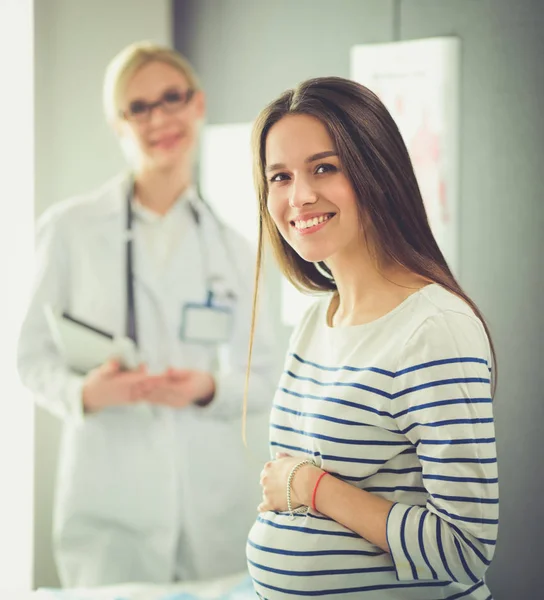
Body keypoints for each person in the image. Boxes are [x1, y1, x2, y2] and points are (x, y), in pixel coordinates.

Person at [17, 41, 279, 588]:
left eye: (171, 99)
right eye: (139, 107)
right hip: (111, 500)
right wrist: (86, 393)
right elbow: (31, 358)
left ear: (198, 104)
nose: (159, 118)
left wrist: (208, 387)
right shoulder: (70, 229)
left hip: (212, 504)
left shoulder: (236, 248)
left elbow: (266, 376)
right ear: (119, 124)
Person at [246, 77, 498, 599]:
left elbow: (465, 548)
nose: (300, 195)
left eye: (324, 168)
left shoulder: (435, 329)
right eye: (280, 176)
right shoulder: (317, 321)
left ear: (375, 171)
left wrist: (312, 488)